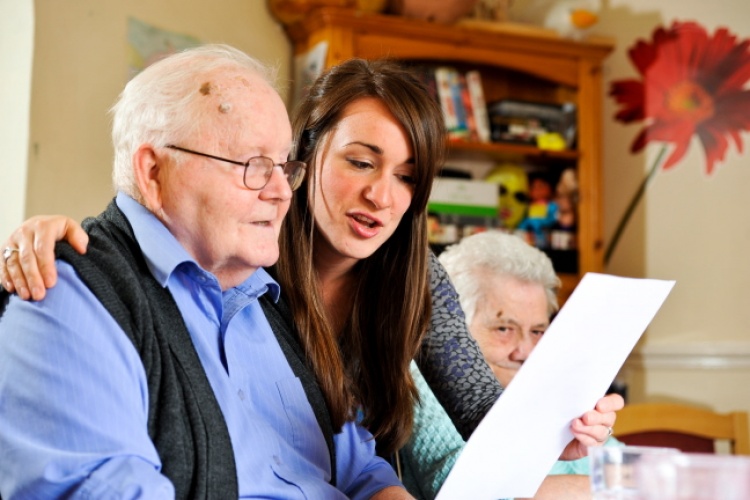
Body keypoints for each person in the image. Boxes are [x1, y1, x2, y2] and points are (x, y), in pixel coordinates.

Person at [1, 53, 621, 463]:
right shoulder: (243, 246)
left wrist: (565, 430)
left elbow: (483, 416)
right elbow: (145, 236)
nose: (382, 196)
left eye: (408, 177)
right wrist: (38, 235)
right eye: (360, 162)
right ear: (305, 151)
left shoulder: (415, 277)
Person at [0, 44, 409, 499]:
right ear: (153, 172)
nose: (281, 192)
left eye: (282, 166)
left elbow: (361, 469)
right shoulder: (66, 294)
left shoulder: (272, 300)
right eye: (252, 165)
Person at [399, 231, 620, 499]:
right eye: (504, 328)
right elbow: (465, 490)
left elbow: (631, 472)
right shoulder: (420, 379)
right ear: (452, 332)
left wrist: (596, 435)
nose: (525, 352)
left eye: (538, 331)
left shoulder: (546, 386)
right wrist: (607, 489)